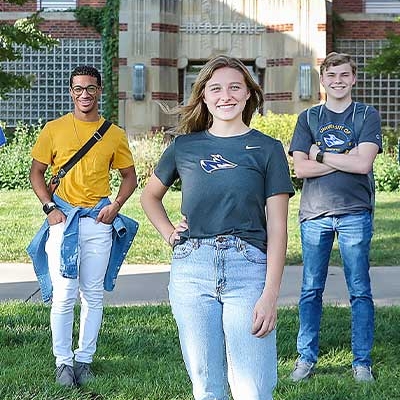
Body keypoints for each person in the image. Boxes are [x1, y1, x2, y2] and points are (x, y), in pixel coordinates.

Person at [140, 55, 294, 400]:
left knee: (253, 389)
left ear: (248, 94)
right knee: (207, 388)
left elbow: (279, 228)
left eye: (235, 87)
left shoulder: (267, 150)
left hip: (248, 270)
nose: (226, 95)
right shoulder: (185, 146)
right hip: (192, 270)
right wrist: (169, 233)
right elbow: (149, 196)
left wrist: (270, 296)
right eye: (216, 88)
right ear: (204, 97)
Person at [27, 66, 138, 387]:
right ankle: (63, 363)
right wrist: (49, 208)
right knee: (64, 296)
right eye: (78, 89)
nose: (84, 94)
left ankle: (84, 360)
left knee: (92, 295)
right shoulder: (54, 129)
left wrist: (115, 207)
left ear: (99, 91)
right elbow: (36, 173)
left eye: (90, 88)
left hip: (98, 222)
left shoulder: (114, 134)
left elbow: (129, 177)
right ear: (70, 92)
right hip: (63, 221)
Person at [288, 52, 382, 383]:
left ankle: (361, 363)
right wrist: (345, 156)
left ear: (353, 78)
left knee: (359, 288)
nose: (338, 80)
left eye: (344, 75)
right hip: (315, 215)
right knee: (311, 288)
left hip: (355, 212)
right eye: (331, 75)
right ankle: (305, 359)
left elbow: (363, 165)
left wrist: (321, 154)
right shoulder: (309, 118)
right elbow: (300, 168)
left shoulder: (365, 115)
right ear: (323, 80)